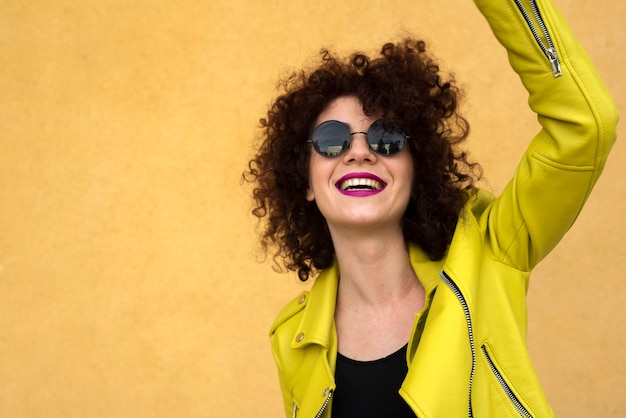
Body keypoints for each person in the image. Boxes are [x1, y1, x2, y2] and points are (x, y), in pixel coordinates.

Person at [244, 0, 618, 416]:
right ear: (306, 181)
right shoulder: (293, 338)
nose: (360, 152)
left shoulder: (489, 255)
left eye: (387, 138)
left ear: (416, 168)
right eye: (333, 139)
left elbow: (586, 125)